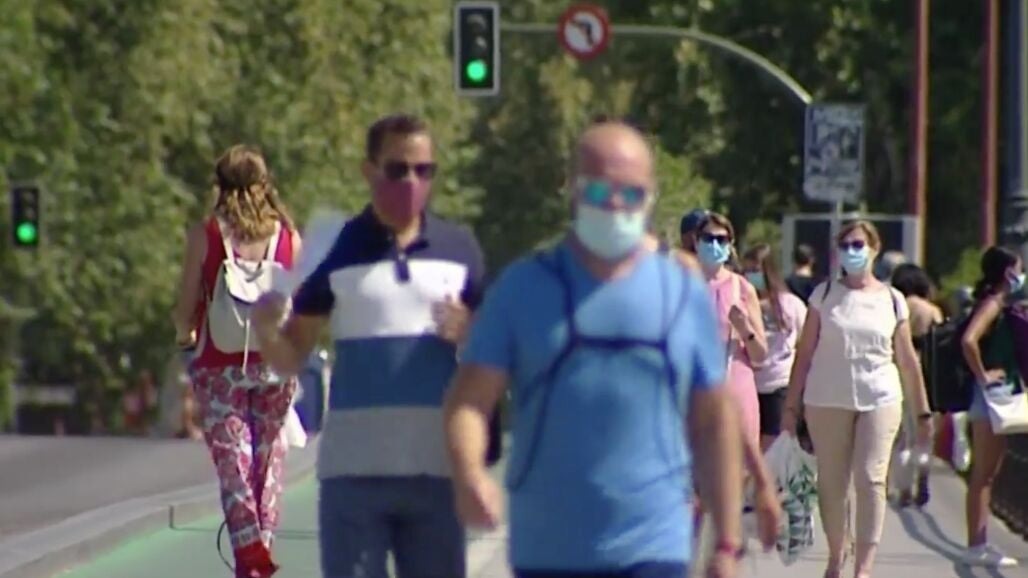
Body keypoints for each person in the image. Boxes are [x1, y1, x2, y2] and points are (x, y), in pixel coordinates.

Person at [444, 122, 744, 578]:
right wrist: (469, 474)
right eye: (601, 191)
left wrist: (726, 543)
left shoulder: (682, 294)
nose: (617, 205)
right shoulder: (524, 288)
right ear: (572, 190)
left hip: (655, 545)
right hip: (549, 549)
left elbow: (714, 420)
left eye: (632, 192)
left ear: (650, 196)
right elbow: (469, 400)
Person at [251, 114, 485, 578]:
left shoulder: (459, 250)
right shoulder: (337, 248)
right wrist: (265, 331)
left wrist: (473, 333)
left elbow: (496, 355)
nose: (412, 182)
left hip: (436, 473)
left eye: (424, 170)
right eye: (398, 169)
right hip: (353, 474)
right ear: (369, 170)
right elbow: (293, 355)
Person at [172, 145, 301, 578]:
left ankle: (250, 556)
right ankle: (262, 548)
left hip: (219, 365)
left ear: (219, 186)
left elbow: (186, 305)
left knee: (234, 466)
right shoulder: (288, 237)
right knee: (269, 460)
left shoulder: (206, 234)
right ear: (265, 185)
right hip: (275, 363)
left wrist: (185, 332)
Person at [782, 220, 932, 578]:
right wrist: (791, 406)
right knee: (831, 483)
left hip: (879, 396)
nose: (851, 252)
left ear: (874, 250)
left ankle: (863, 568)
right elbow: (805, 353)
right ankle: (837, 553)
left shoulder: (892, 300)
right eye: (845, 245)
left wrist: (922, 412)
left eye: (858, 245)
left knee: (870, 478)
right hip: (826, 398)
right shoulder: (824, 295)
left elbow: (907, 360)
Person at [959, 246, 1023, 567]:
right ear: (1008, 273)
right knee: (984, 474)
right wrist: (983, 375)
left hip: (994, 397)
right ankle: (976, 544)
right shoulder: (994, 303)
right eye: (1019, 269)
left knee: (987, 473)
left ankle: (978, 542)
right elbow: (969, 340)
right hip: (992, 397)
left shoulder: (1000, 303)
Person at [693, 213, 768, 444]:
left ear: (730, 245)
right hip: (693, 390)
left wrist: (744, 328)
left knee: (737, 461)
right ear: (696, 242)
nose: (714, 244)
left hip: (735, 386)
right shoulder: (682, 284)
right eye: (708, 238)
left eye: (721, 239)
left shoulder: (742, 288)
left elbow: (760, 356)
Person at [741, 244, 806, 451]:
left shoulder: (791, 304)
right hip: (750, 385)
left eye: (755, 270)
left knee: (772, 451)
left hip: (779, 384)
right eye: (747, 271)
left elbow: (804, 342)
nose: (751, 276)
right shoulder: (742, 304)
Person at [889, 264, 945, 506]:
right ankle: (922, 475)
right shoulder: (931, 310)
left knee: (902, 435)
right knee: (924, 430)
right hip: (927, 372)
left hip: (896, 370)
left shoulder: (893, 308)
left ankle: (903, 489)